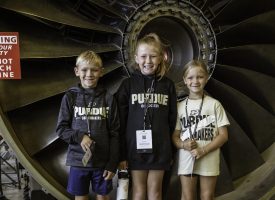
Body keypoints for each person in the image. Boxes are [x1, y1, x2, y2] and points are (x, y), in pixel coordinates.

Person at [116, 33, 177, 200]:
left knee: (155, 192)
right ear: (136, 58)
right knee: (138, 191)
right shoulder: (127, 84)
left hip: (160, 148)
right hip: (135, 148)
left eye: (153, 56)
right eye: (143, 56)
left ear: (161, 58)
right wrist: (121, 154)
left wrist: (171, 151)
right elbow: (120, 121)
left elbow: (173, 120)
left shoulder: (168, 85)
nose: (148, 61)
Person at [56, 50, 120, 200]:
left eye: (94, 70)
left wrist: (112, 164)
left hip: (102, 162)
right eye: (84, 70)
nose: (89, 74)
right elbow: (61, 129)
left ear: (101, 72)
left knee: (103, 197)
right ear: (77, 71)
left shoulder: (108, 98)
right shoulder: (70, 97)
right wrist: (80, 137)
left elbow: (115, 133)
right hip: (79, 161)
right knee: (80, 197)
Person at [172, 60, 230, 200]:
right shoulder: (179, 107)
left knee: (207, 196)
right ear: (185, 80)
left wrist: (204, 150)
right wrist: (184, 145)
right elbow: (175, 136)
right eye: (191, 77)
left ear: (206, 77)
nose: (195, 81)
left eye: (200, 76)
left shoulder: (215, 104)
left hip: (209, 156)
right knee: (187, 196)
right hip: (187, 158)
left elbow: (223, 135)